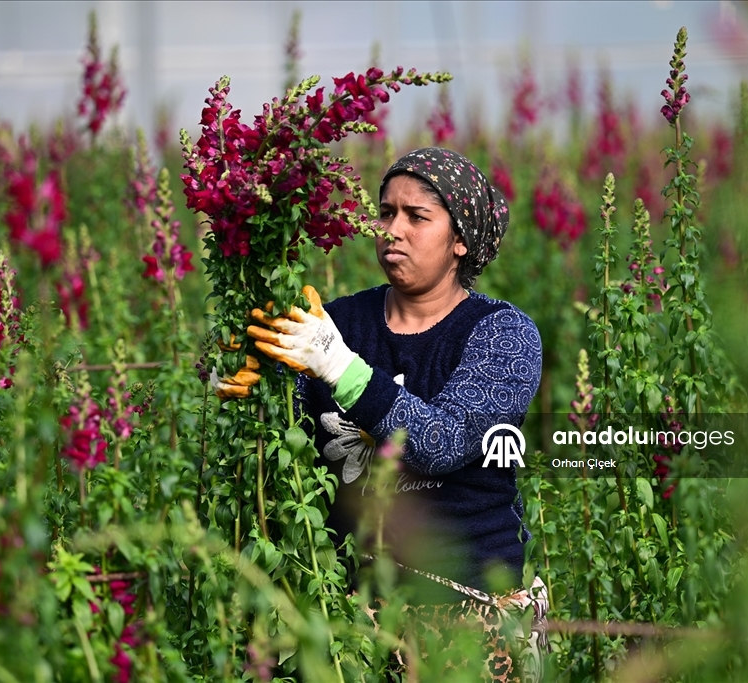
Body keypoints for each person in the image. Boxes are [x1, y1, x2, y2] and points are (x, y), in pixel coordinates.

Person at [216, 148, 548, 682]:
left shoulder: (502, 335)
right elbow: (281, 442)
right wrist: (244, 371)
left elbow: (441, 442)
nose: (394, 229)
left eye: (417, 217)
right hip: (344, 610)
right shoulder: (338, 321)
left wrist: (337, 366)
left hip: (467, 611)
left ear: (460, 239)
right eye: (386, 212)